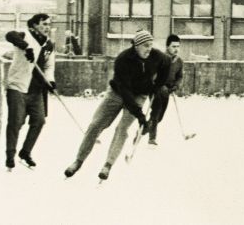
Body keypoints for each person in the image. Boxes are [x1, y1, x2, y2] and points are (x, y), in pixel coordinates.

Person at [64, 30, 168, 180]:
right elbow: (125, 92)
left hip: (140, 95)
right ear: (136, 46)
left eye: (151, 45)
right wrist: (140, 115)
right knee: (96, 124)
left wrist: (157, 85)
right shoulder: (123, 59)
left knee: (122, 129)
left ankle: (108, 165)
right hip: (117, 93)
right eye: (146, 46)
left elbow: (166, 64)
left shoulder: (157, 56)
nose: (149, 49)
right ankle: (78, 161)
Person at [3, 14, 56, 169]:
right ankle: (10, 155)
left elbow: (48, 66)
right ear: (34, 25)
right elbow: (10, 35)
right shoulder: (25, 35)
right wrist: (25, 46)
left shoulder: (49, 45)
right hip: (18, 86)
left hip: (36, 90)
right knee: (16, 122)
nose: (47, 27)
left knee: (39, 121)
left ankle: (25, 152)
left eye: (49, 24)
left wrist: (50, 81)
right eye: (44, 24)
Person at [148, 34, 184, 145]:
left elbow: (179, 76)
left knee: (159, 117)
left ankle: (142, 129)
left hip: (167, 91)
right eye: (173, 46)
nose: (176, 49)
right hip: (156, 88)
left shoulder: (179, 62)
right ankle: (152, 139)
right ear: (167, 46)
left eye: (178, 46)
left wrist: (176, 85)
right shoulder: (160, 58)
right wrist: (160, 84)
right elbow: (152, 74)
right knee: (156, 113)